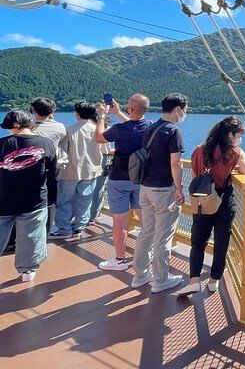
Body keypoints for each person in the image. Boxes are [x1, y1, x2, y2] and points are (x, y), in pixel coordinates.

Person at [174, 116, 245, 296]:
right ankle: (213, 280)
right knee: (221, 242)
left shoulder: (199, 150)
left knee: (198, 241)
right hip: (223, 199)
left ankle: (194, 281)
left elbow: (196, 175)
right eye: (239, 135)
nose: (240, 139)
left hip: (202, 199)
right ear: (230, 135)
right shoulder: (235, 153)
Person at [131, 93, 187, 293]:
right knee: (163, 236)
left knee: (146, 231)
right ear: (178, 109)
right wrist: (179, 189)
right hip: (163, 190)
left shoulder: (150, 128)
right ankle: (161, 279)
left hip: (145, 188)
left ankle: (139, 275)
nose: (185, 113)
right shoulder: (173, 131)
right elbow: (176, 163)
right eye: (185, 109)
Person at [94, 94, 153, 271]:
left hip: (119, 179)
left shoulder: (119, 129)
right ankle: (147, 256)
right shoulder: (150, 126)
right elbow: (135, 125)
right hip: (142, 179)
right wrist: (119, 112)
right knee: (146, 221)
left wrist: (102, 116)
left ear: (130, 109)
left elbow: (99, 137)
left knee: (119, 221)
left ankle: (120, 260)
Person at [0, 109, 57, 282]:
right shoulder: (46, 143)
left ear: (13, 125)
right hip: (35, 199)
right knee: (31, 236)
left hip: (3, 198)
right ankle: (28, 270)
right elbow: (52, 173)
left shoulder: (2, 144)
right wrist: (52, 198)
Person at [50, 101, 103, 239]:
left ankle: (64, 229)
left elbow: (62, 152)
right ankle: (79, 227)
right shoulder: (97, 130)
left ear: (77, 114)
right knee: (85, 201)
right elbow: (105, 149)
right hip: (91, 170)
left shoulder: (69, 130)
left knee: (64, 201)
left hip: (70, 171)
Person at [30, 97, 65, 234]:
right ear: (52, 112)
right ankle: (47, 229)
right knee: (49, 199)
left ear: (33, 110)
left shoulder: (29, 128)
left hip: (29, 168)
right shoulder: (60, 127)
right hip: (50, 167)